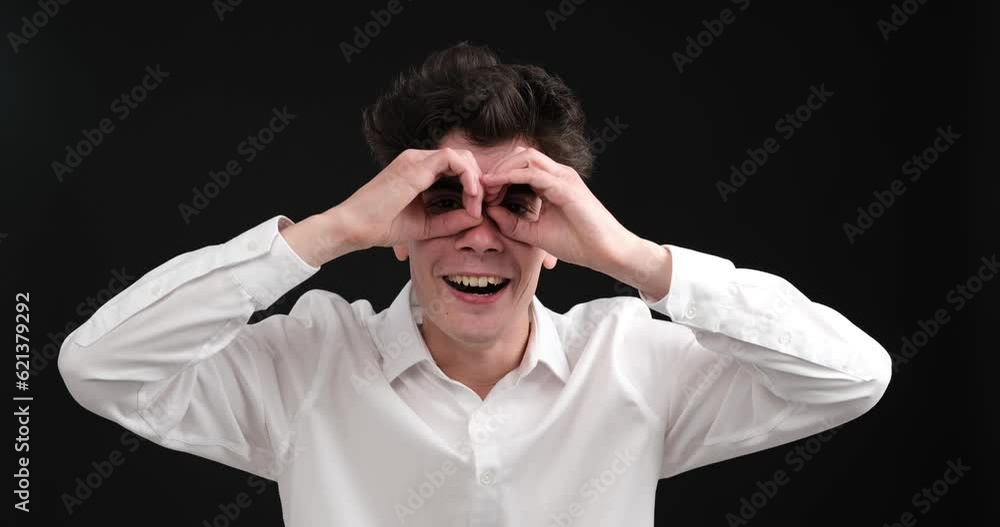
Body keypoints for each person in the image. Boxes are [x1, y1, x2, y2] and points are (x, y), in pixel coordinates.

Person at [58, 42, 892, 526]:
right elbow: (99, 366)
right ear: (394, 225)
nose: (482, 235)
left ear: (561, 234)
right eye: (442, 200)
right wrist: (329, 231)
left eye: (520, 203)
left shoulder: (631, 361)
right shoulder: (308, 362)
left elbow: (853, 376)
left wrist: (635, 258)